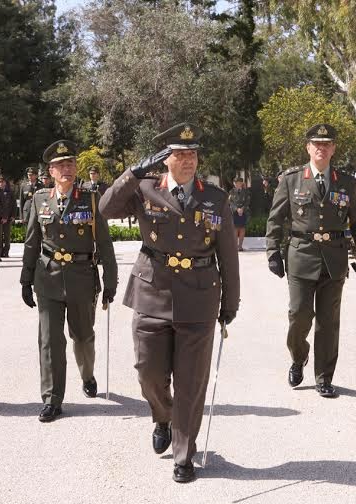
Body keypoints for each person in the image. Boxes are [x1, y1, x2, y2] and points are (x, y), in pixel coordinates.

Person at [99, 122, 239, 483]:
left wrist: (230, 302)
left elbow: (227, 254)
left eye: (193, 154)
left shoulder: (215, 198)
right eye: (180, 154)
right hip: (152, 293)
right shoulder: (145, 188)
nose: (188, 160)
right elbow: (105, 208)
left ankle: (183, 454)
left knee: (191, 383)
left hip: (199, 298)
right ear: (166, 159)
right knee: (148, 372)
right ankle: (162, 415)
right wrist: (133, 171)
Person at [266, 123, 356, 399]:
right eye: (316, 144)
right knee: (299, 316)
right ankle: (298, 357)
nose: (321, 148)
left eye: (326, 144)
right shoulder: (291, 179)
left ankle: (324, 377)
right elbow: (275, 218)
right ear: (308, 148)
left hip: (333, 258)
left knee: (328, 322)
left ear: (333, 148)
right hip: (301, 256)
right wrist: (272, 251)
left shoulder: (345, 182)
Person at [21, 140, 118, 423]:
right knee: (50, 341)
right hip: (48, 278)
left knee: (83, 338)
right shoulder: (39, 200)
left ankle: (87, 374)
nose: (67, 168)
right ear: (50, 171)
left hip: (81, 278)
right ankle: (52, 399)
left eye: (71, 163)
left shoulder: (90, 199)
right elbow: (31, 243)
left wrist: (110, 281)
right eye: (61, 165)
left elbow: (105, 244)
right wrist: (25, 280)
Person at [229, 177, 251, 251]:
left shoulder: (246, 192)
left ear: (241, 183)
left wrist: (242, 208)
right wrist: (236, 209)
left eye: (239, 183)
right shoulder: (231, 191)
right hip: (234, 212)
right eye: (236, 183)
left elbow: (248, 201)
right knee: (235, 229)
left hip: (243, 212)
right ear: (234, 183)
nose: (237, 184)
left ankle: (240, 246)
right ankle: (235, 246)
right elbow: (230, 202)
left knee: (242, 229)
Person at [0, 175, 15, 257]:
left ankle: (6, 251)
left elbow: (13, 205)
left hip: (7, 217)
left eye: (2, 181)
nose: (1, 183)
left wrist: (13, 216)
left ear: (5, 183)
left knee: (7, 236)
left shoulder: (9, 192)